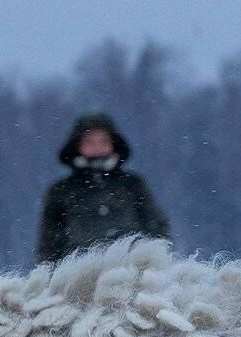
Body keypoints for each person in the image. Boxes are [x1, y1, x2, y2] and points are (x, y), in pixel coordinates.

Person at [36, 112, 170, 264]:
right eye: (89, 142)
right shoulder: (61, 191)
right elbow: (49, 242)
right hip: (80, 273)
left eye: (103, 141)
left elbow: (156, 226)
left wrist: (155, 259)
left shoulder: (132, 184)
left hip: (131, 267)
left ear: (113, 144)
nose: (97, 147)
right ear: (77, 146)